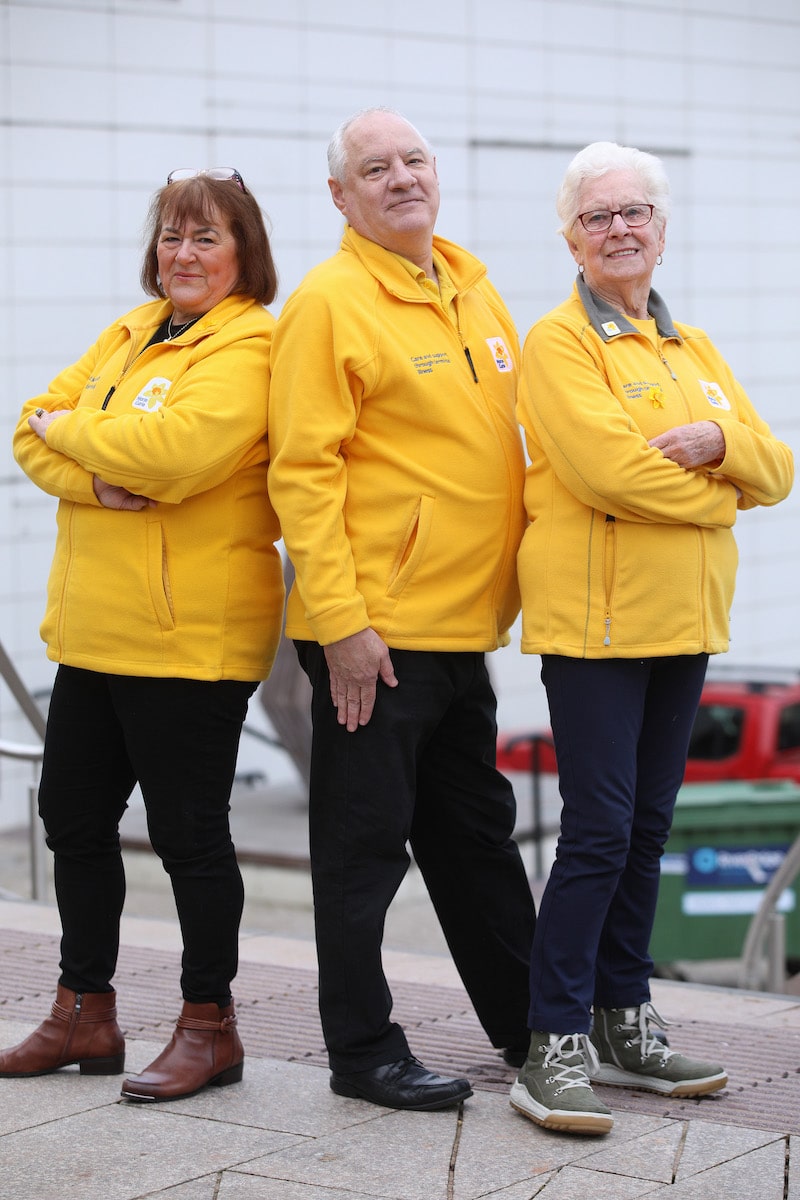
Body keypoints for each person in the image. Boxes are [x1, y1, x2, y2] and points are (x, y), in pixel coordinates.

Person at [509, 141, 794, 1136]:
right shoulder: (556, 342)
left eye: (634, 213)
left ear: (660, 230)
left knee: (644, 832)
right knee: (595, 832)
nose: (618, 229)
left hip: (681, 621)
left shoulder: (691, 348)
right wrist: (722, 499)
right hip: (594, 623)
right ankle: (549, 1044)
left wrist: (723, 447)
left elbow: (776, 466)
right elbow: (606, 474)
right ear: (569, 236)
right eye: (597, 217)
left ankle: (625, 1021)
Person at [267, 107, 536, 1112]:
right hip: (373, 639)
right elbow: (301, 473)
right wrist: (339, 621)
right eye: (373, 169)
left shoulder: (470, 288)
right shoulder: (330, 302)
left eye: (413, 160)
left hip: (462, 633)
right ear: (340, 196)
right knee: (362, 852)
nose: (400, 179)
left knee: (474, 840)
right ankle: (362, 1051)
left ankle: (531, 1029)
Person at [4, 169, 284, 1103]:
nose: (183, 254)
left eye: (206, 237)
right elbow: (26, 433)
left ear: (244, 252)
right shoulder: (130, 332)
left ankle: (211, 1026)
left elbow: (177, 456)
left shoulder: (251, 345)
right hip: (93, 631)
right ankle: (86, 1011)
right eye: (171, 235)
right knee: (72, 822)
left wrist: (71, 427)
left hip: (188, 638)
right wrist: (95, 472)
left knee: (189, 837)